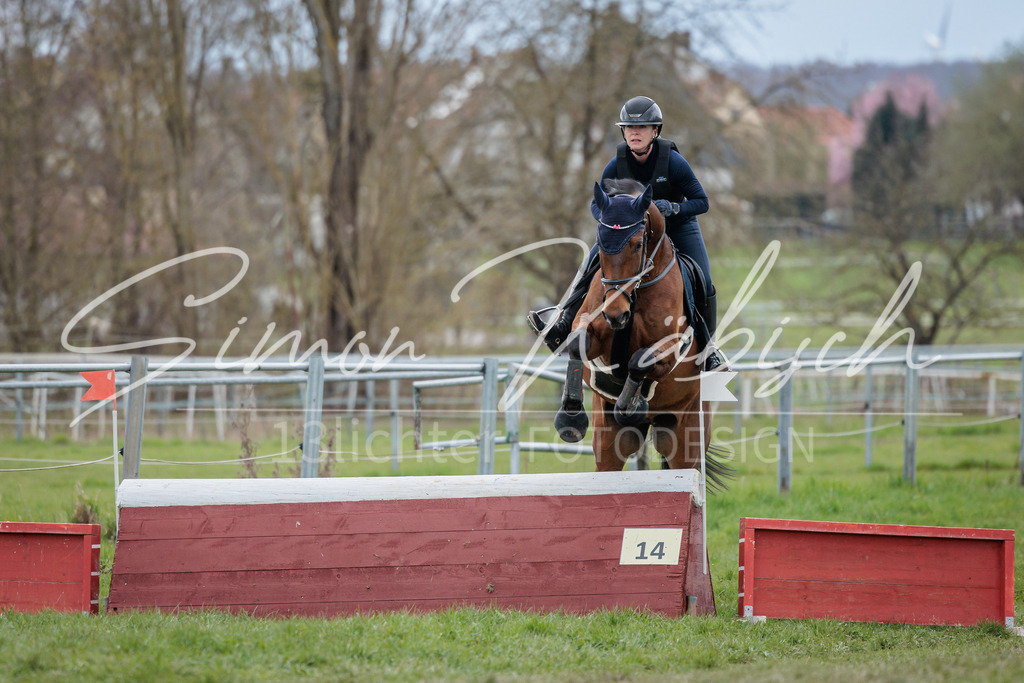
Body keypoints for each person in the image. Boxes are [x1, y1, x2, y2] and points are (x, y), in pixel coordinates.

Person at [527, 95, 724, 371]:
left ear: (655, 131)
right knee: (591, 263)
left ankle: (708, 350)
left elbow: (701, 202)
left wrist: (674, 207)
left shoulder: (673, 162)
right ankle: (562, 322)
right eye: (630, 128)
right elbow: (597, 203)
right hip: (630, 232)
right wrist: (608, 220)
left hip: (677, 226)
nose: (635, 133)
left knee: (704, 279)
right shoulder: (617, 162)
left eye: (642, 128)